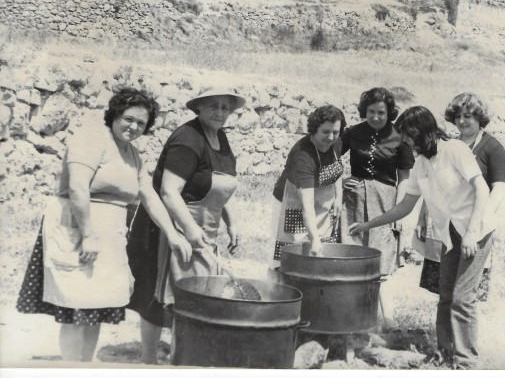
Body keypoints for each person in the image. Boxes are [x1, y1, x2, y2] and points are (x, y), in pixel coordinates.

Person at [16, 88, 187, 362]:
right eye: (128, 119)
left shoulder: (132, 154)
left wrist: (172, 233)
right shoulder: (92, 139)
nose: (133, 127)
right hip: (77, 229)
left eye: (141, 123)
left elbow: (150, 197)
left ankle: (86, 365)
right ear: (115, 114)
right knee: (75, 309)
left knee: (96, 308)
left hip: (111, 235)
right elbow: (78, 188)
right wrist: (88, 236)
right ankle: (72, 367)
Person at [350, 106, 492, 369]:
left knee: (462, 298)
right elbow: (404, 207)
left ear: (421, 132)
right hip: (450, 235)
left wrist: (472, 233)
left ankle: (467, 364)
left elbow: (482, 190)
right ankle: (445, 354)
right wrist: (367, 224)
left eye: (407, 136)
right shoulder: (421, 164)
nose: (405, 142)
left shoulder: (455, 150)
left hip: (476, 230)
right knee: (446, 297)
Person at [126, 86, 245, 364]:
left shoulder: (221, 139)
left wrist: (232, 223)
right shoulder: (187, 138)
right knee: (161, 295)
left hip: (206, 225)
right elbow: (169, 191)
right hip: (170, 224)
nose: (219, 112)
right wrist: (191, 232)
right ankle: (149, 361)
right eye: (213, 106)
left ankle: (184, 355)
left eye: (225, 107)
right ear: (198, 108)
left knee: (196, 293)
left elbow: (221, 186)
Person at [417, 93, 505, 301]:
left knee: (465, 292)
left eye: (467, 116)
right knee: (445, 289)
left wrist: (479, 224)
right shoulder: (448, 145)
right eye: (457, 116)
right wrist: (422, 217)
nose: (461, 121)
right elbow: (435, 185)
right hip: (449, 225)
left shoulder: (493, 148)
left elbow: (499, 189)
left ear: (479, 117)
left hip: (475, 226)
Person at [341, 87, 415, 330]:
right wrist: (339, 180)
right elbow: (328, 158)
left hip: (385, 202)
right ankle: (355, 318)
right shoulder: (352, 133)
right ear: (364, 111)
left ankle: (389, 321)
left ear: (389, 112)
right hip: (354, 200)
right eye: (371, 112)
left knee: (381, 262)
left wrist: (400, 210)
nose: (375, 117)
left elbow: (404, 177)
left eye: (381, 112)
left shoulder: (400, 138)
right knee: (353, 258)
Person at [271, 105, 346, 265]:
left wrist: (339, 196)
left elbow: (337, 166)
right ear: (313, 129)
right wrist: (314, 239)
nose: (331, 137)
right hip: (295, 206)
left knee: (323, 252)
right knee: (292, 255)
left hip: (322, 206)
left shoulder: (336, 143)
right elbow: (307, 205)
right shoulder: (303, 157)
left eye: (335, 132)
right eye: (325, 132)